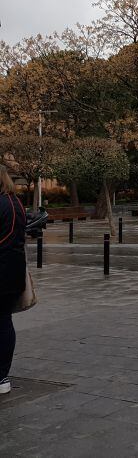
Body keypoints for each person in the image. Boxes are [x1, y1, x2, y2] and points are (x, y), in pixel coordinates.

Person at [0, 165, 27, 395]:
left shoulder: (3, 204)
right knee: (3, 321)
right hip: (13, 272)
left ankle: (1, 376)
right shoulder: (15, 202)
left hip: (2, 272)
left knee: (1, 322)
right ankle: (2, 375)